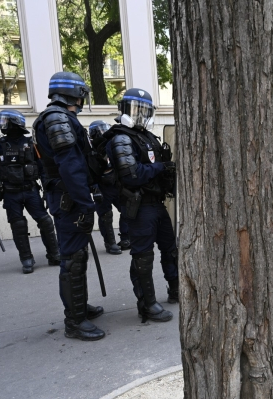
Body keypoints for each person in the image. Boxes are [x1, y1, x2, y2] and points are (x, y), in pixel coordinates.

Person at [33, 71, 105, 341]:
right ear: (74, 93)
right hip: (69, 199)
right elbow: (70, 165)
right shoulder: (58, 118)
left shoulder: (58, 117)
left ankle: (79, 307)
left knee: (78, 257)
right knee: (72, 260)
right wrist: (85, 204)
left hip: (69, 197)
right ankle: (74, 322)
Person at [105, 88, 178, 323]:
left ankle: (176, 289)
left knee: (171, 249)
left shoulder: (145, 136)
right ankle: (147, 305)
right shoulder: (121, 138)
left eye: (144, 110)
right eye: (136, 110)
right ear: (125, 110)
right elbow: (131, 175)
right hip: (139, 207)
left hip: (157, 204)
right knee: (143, 258)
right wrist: (161, 168)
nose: (140, 115)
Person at [0, 109, 60, 274]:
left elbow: (43, 169)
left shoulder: (32, 144)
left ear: (14, 123)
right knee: (18, 226)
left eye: (4, 121)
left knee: (45, 221)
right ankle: (26, 258)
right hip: (10, 194)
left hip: (31, 190)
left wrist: (47, 190)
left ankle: (54, 254)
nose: (1, 125)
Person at [88, 120, 129, 255]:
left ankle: (126, 239)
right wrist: (94, 188)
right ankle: (110, 243)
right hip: (101, 186)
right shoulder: (90, 150)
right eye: (101, 130)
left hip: (115, 184)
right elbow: (89, 172)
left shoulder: (111, 146)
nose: (104, 133)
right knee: (106, 215)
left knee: (127, 209)